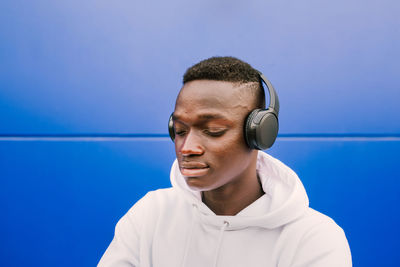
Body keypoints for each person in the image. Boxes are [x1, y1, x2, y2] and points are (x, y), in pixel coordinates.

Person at [98, 56, 352, 267]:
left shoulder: (314, 237)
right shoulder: (151, 214)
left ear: (258, 134)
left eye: (214, 130)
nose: (187, 148)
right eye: (180, 130)